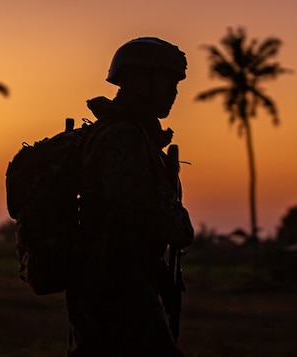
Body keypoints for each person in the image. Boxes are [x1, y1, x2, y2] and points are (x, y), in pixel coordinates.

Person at [68, 37, 195, 356]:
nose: (174, 92)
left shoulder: (134, 135)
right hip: (115, 285)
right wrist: (179, 223)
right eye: (167, 81)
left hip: (118, 281)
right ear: (140, 81)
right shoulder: (122, 136)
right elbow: (137, 209)